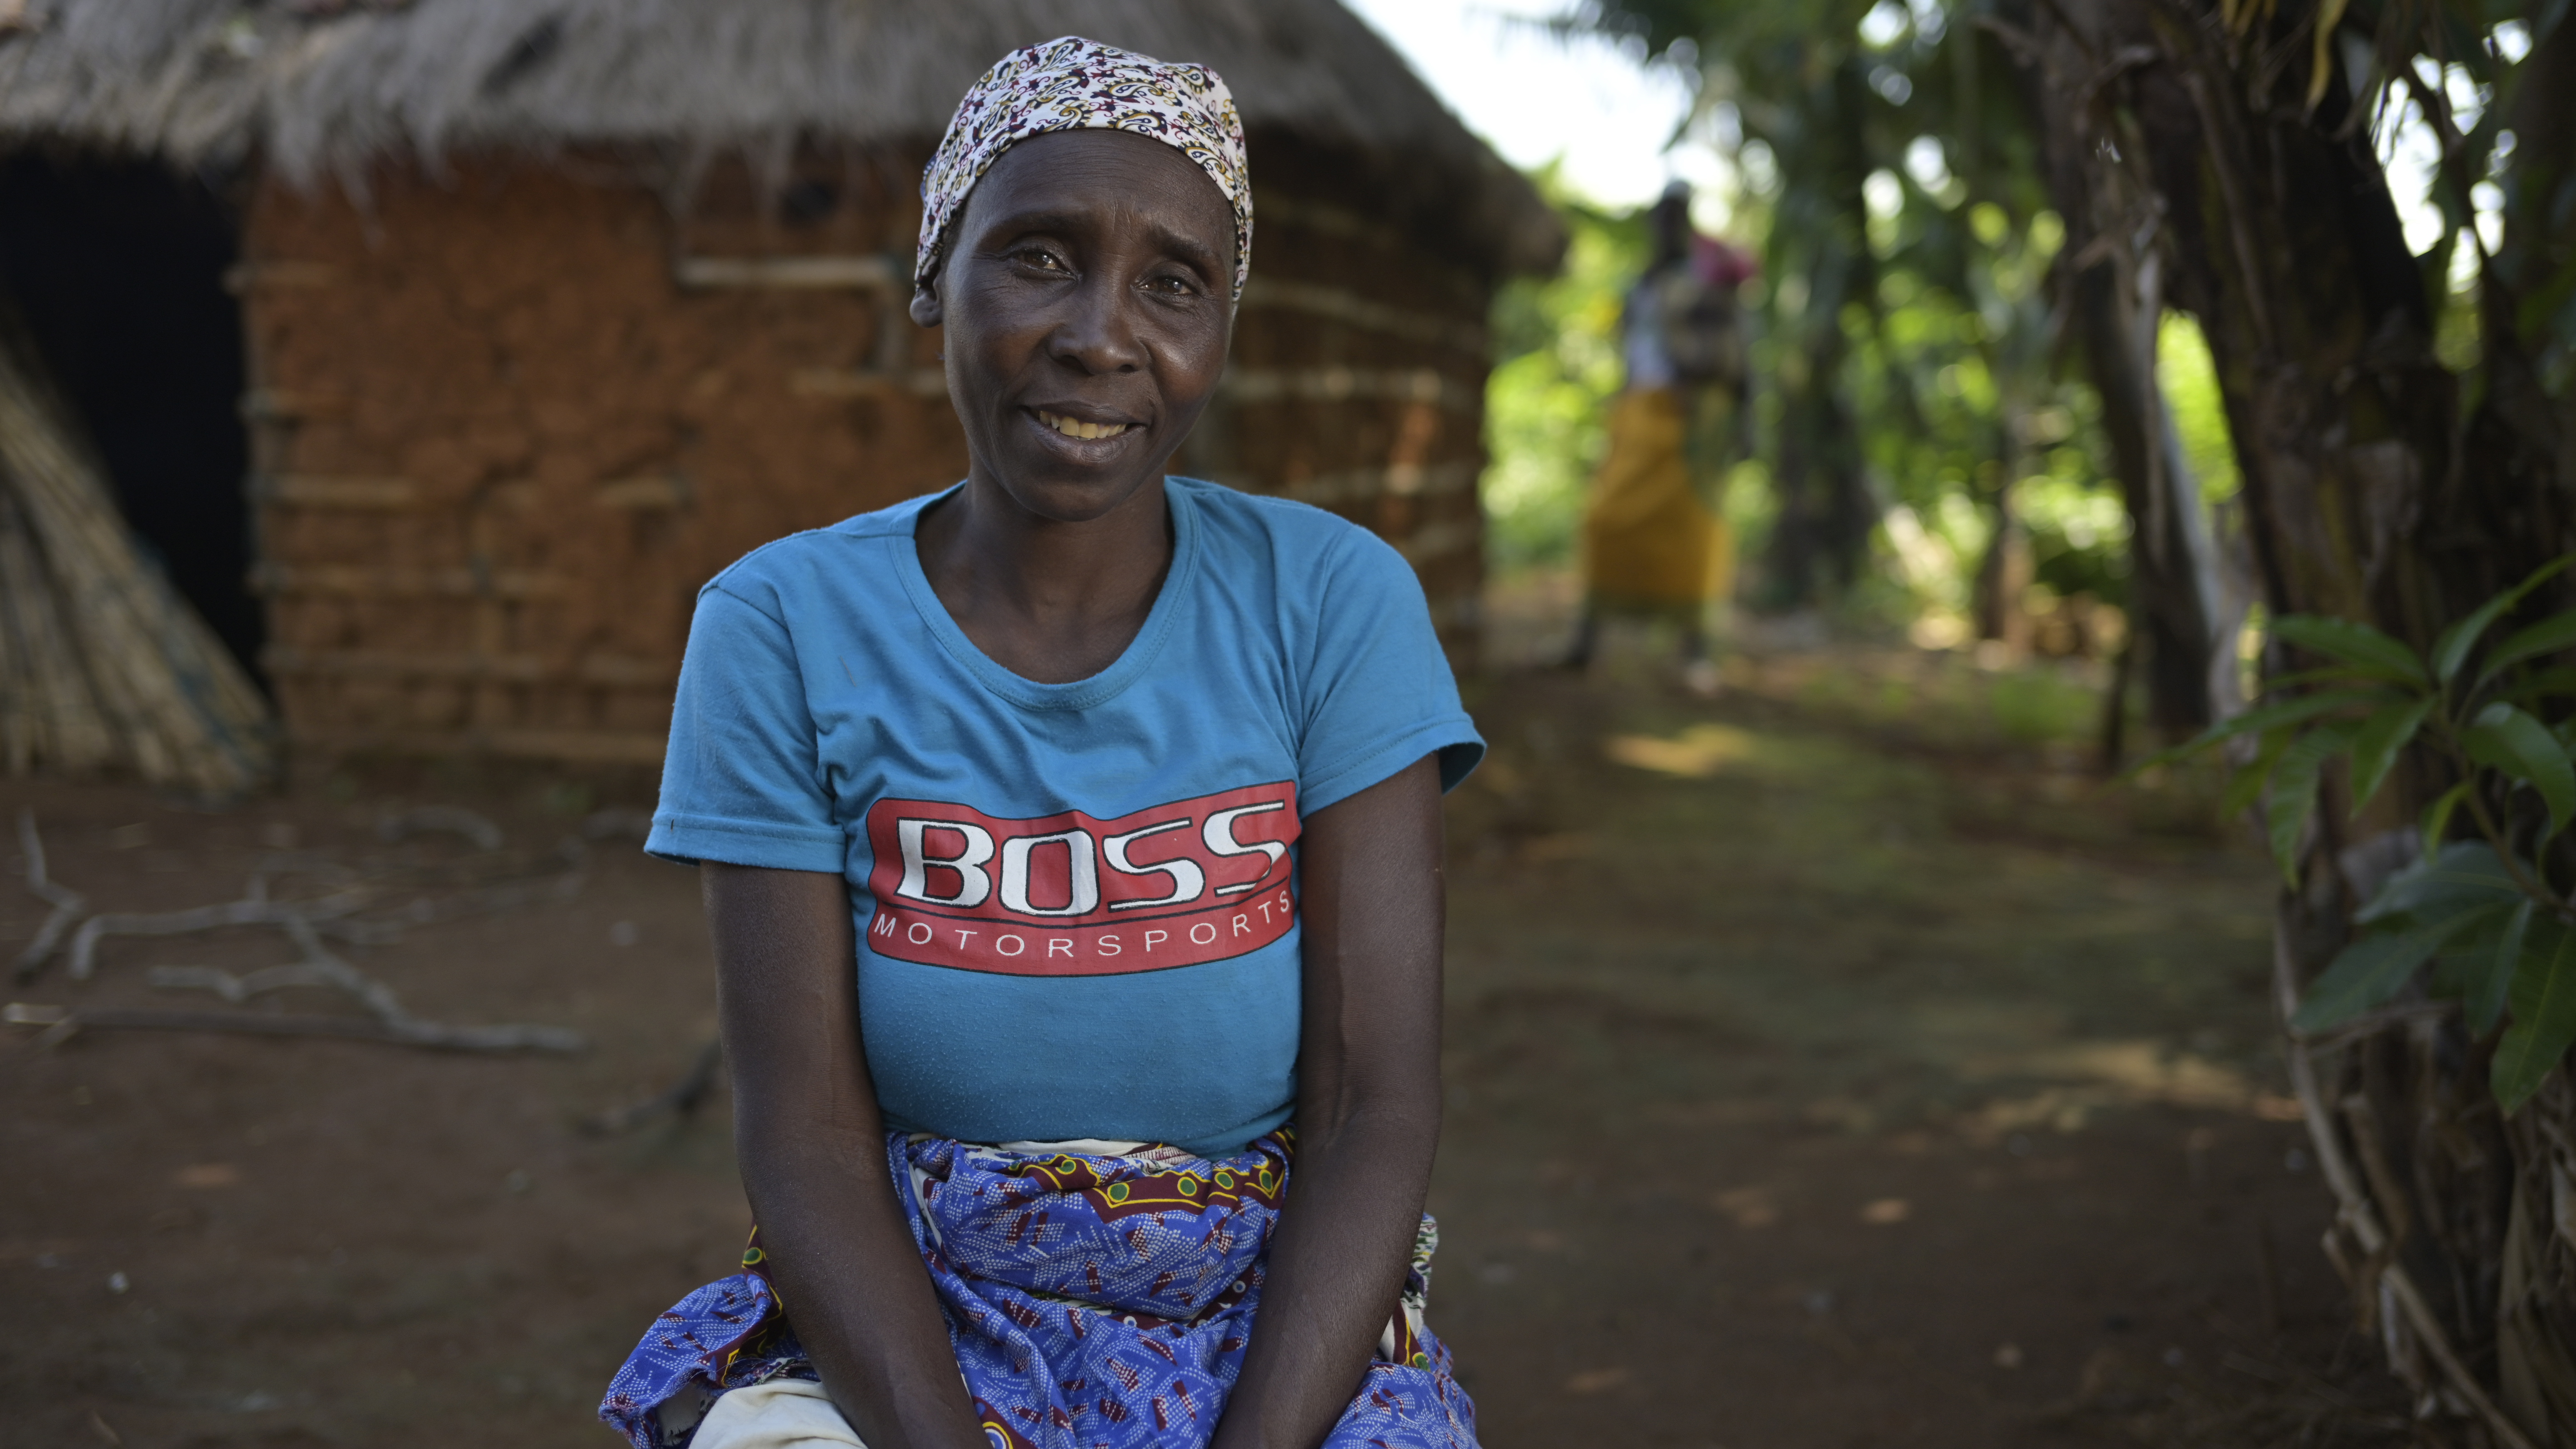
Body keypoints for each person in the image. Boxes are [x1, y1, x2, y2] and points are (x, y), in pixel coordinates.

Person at [596, 37, 1485, 1449]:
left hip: (1266, 1313)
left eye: (1173, 284)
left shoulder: (1330, 602)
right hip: (916, 1308)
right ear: (933, 278)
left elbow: (1372, 1102)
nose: (1100, 334)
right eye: (1037, 257)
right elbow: (809, 1132)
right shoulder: (781, 624)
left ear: (1222, 332)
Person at [1561, 181, 1755, 695]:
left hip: (1694, 421)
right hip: (1640, 414)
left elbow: (1738, 353)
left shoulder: (1709, 280)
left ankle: (1696, 649)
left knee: (1694, 530)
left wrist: (1744, 421)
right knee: (1606, 519)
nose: (1665, 226)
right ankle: (1586, 638)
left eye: (1675, 216)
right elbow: (1632, 353)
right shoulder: (1643, 283)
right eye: (1660, 217)